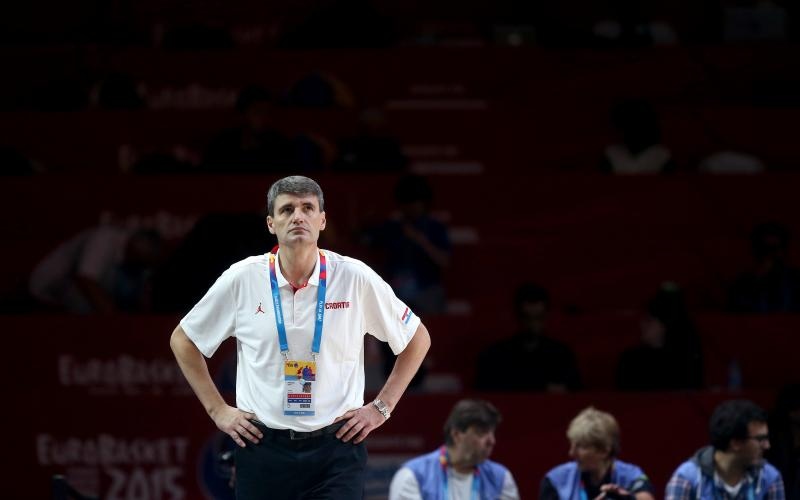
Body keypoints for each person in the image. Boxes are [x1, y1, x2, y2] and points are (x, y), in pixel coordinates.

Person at [169, 175, 431, 499]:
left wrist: (382, 407)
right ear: (270, 223)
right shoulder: (242, 278)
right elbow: (183, 339)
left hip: (337, 449)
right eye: (287, 209)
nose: (298, 216)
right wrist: (217, 410)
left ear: (322, 221)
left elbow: (417, 337)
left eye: (308, 208)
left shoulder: (353, 277)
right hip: (263, 448)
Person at [389, 399, 519, 500]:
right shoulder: (412, 476)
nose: (492, 441)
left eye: (492, 433)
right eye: (482, 433)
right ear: (456, 435)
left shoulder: (501, 478)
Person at [666, 399, 785, 500]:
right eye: (760, 439)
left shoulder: (770, 477)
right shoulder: (687, 478)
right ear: (735, 443)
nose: (767, 446)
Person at [29, 225, 163, 314]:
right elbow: (85, 279)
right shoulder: (104, 239)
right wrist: (118, 322)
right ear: (136, 245)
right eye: (144, 258)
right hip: (44, 294)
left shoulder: (137, 266)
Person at [474, 283, 581, 392]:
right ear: (517, 316)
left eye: (538, 318)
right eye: (527, 318)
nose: (532, 325)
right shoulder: (495, 355)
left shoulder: (562, 355)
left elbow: (575, 393)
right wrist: (544, 387)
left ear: (547, 316)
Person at [540, 407, 655, 500]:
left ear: (604, 451)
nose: (571, 453)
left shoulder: (632, 475)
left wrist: (629, 498)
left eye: (581, 446)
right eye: (573, 444)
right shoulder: (555, 480)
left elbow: (646, 497)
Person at [616, 282, 704, 391]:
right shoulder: (630, 360)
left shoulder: (685, 361)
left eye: (649, 321)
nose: (642, 325)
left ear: (665, 326)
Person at [727, 222, 800, 313]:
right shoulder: (742, 284)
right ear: (756, 251)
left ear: (784, 250)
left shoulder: (796, 281)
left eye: (774, 248)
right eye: (765, 249)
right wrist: (757, 282)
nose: (770, 255)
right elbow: (738, 309)